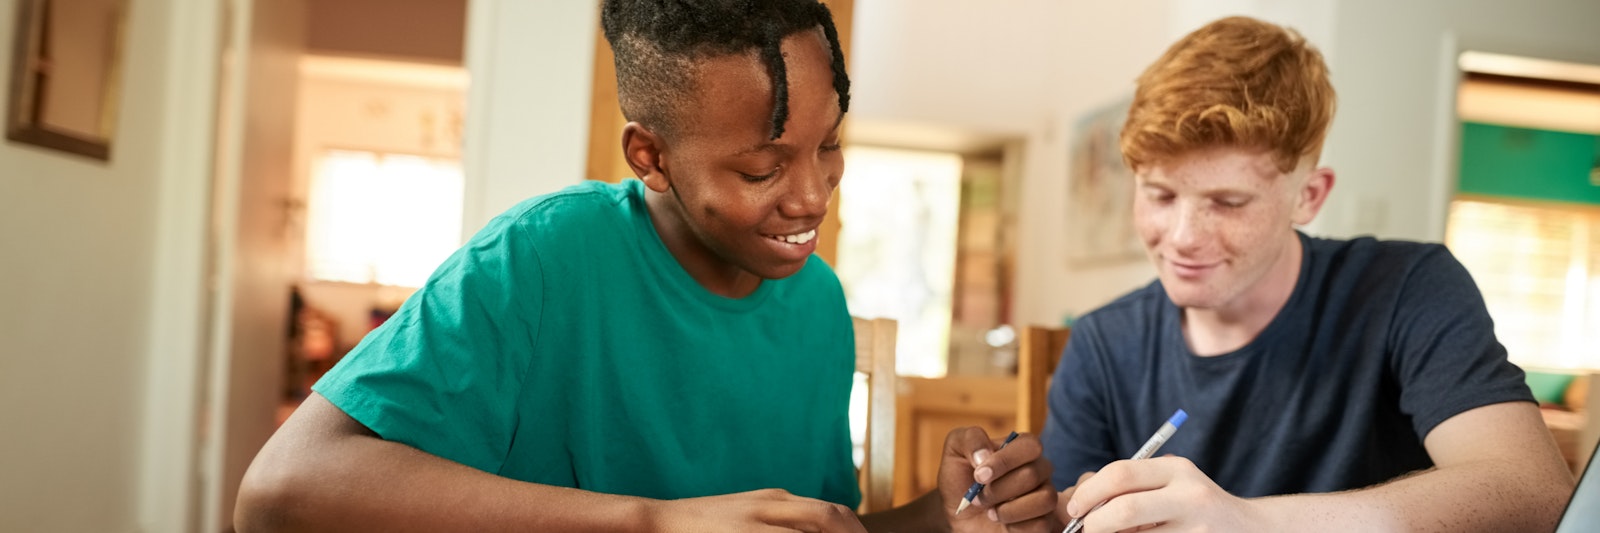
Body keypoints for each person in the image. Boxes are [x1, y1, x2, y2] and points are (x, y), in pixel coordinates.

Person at [234, 1, 1058, 532]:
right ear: (651, 156)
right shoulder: (541, 257)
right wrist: (652, 520)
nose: (813, 197)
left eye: (829, 143)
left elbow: (798, 523)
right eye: (761, 169)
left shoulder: (817, 301)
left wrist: (937, 517)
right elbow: (280, 491)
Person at [1041, 15, 1574, 532]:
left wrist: (1250, 523)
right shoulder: (1101, 344)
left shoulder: (1408, 288)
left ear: (1309, 196)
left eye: (1227, 202)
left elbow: (1534, 493)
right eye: (1159, 194)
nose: (1182, 235)